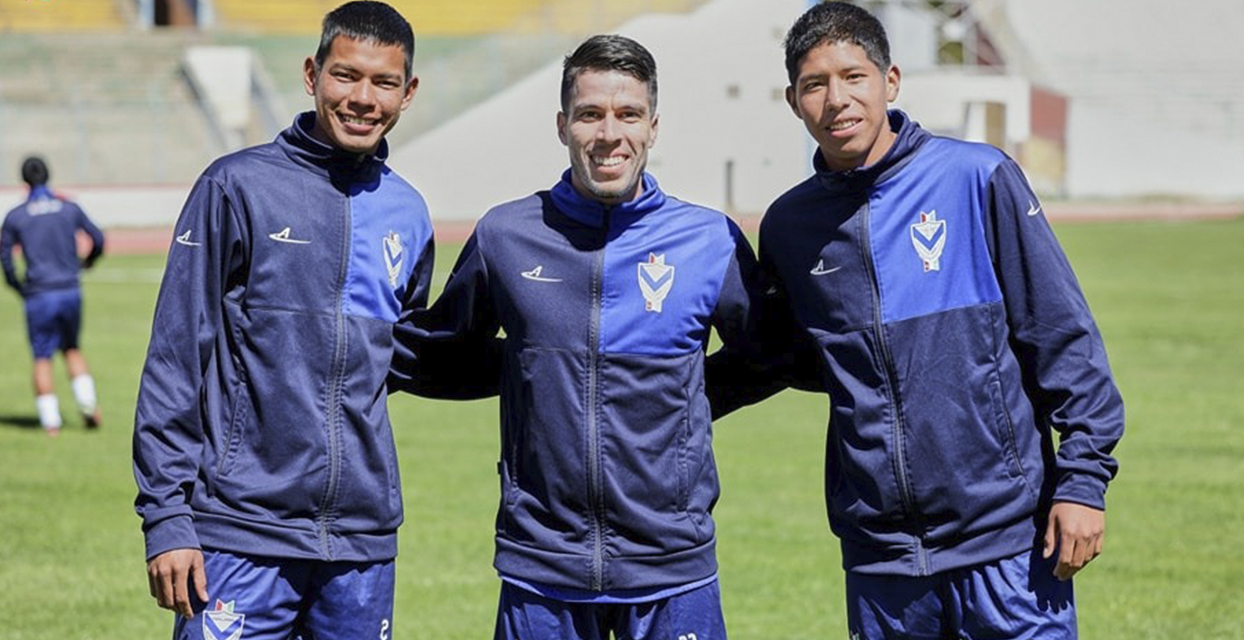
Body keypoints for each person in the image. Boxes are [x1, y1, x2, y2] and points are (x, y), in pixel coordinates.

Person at [731, 3, 1125, 639]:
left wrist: (1082, 481)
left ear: (890, 81)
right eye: (815, 84)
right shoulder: (789, 226)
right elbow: (788, 360)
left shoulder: (976, 177)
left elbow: (1060, 334)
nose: (837, 99)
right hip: (881, 555)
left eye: (854, 76)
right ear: (792, 100)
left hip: (1006, 544)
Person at [399, 34, 762, 640]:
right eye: (591, 114)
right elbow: (440, 353)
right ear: (563, 124)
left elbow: (766, 356)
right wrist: (535, 376)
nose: (609, 133)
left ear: (653, 127)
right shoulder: (505, 236)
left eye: (628, 115)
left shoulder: (709, 241)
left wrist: (684, 402)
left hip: (672, 564)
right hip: (542, 565)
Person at [131, 3, 460, 639]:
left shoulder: (408, 213)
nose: (363, 98)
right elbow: (176, 356)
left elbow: (398, 360)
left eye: (384, 82)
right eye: (346, 76)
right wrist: (167, 516)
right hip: (239, 530)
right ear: (312, 74)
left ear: (408, 92)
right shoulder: (236, 187)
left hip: (360, 544)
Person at [1, 156, 105, 436]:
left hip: (39, 294)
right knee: (72, 348)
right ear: (49, 175)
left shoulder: (17, 216)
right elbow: (98, 238)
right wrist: (88, 262)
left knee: (42, 356)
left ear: (24, 180)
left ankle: (51, 423)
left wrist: (18, 287)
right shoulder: (69, 208)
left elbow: (6, 260)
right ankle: (88, 408)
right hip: (70, 289)